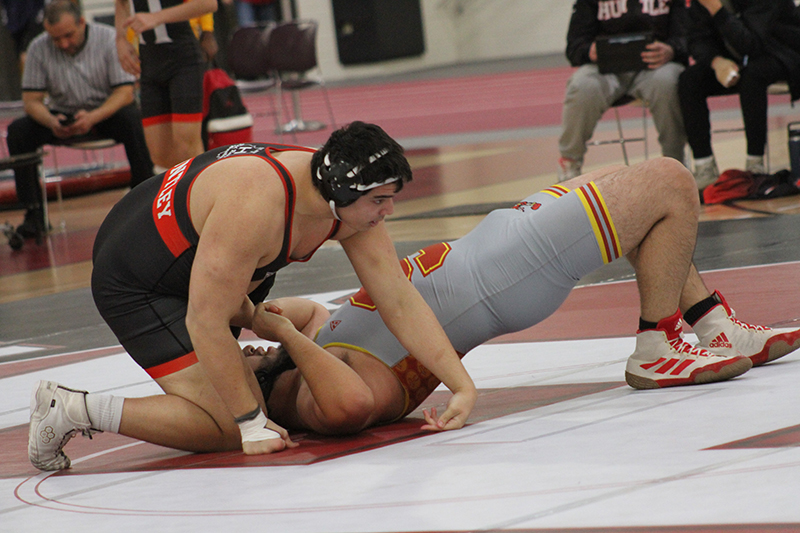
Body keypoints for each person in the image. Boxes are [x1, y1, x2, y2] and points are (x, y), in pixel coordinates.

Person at [27, 122, 477, 471]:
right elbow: (203, 320)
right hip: (138, 278)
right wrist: (249, 423)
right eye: (380, 200)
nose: (388, 211)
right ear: (343, 192)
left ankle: (225, 405)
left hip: (201, 252)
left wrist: (461, 384)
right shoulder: (257, 205)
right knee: (227, 423)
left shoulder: (341, 199)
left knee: (235, 387)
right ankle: (70, 409)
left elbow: (397, 298)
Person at [242, 157, 800, 435]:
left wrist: (256, 322)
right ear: (259, 393)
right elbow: (350, 408)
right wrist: (284, 341)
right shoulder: (318, 395)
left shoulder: (313, 335)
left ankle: (711, 323)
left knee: (624, 185)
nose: (241, 351)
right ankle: (657, 346)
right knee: (671, 183)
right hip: (508, 274)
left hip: (498, 242)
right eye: (239, 365)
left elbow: (260, 310)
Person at [4, 0, 153, 240]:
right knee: (19, 132)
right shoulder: (37, 48)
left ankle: (145, 200)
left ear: (82, 22)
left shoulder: (107, 39)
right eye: (56, 39)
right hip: (61, 116)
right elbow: (31, 101)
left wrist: (93, 117)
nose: (63, 43)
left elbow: (125, 94)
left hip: (104, 113)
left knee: (132, 119)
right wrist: (52, 121)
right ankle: (33, 214)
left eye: (68, 36)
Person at [557, 0, 689, 182]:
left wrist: (672, 49)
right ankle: (569, 163)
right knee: (582, 86)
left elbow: (687, 37)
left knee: (669, 83)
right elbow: (574, 47)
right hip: (605, 68)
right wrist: (589, 51)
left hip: (656, 66)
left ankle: (676, 162)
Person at [677, 0, 800, 190]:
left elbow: (751, 45)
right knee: (689, 80)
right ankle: (704, 166)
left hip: (779, 50)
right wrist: (716, 61)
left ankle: (755, 162)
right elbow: (696, 39)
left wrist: (717, 10)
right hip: (734, 56)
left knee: (752, 76)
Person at [114, 0, 216, 173]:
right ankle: (174, 198)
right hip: (150, 64)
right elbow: (121, 3)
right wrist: (120, 39)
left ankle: (202, 197)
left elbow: (208, 4)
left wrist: (157, 18)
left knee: (187, 149)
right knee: (159, 155)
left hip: (183, 61)